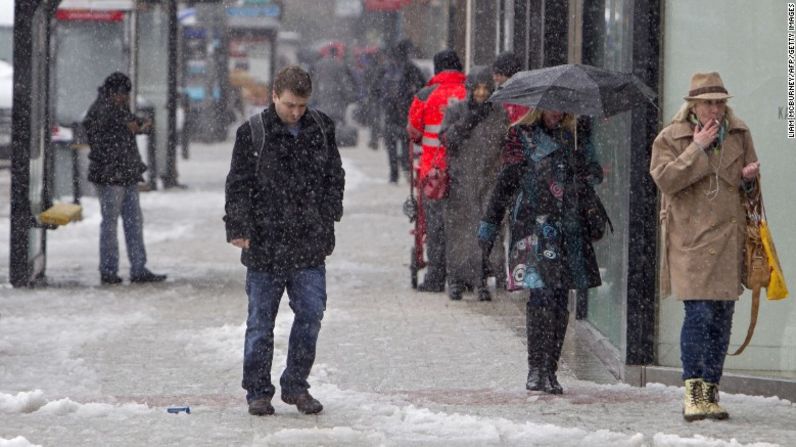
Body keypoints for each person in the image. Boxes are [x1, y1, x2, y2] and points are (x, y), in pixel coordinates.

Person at [224, 65, 345, 416]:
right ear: (274, 95)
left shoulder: (321, 128)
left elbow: (334, 176)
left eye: (301, 105)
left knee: (311, 313)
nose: (295, 112)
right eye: (290, 104)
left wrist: (329, 214)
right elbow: (238, 185)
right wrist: (238, 226)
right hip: (265, 243)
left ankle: (295, 385)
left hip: (309, 241)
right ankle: (258, 391)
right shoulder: (253, 133)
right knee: (260, 323)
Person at [650, 72, 759, 422]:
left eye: (720, 102)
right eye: (708, 102)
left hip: (728, 239)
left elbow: (750, 195)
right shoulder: (672, 137)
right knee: (699, 315)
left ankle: (711, 390)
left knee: (722, 320)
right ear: (693, 105)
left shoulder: (739, 134)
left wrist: (750, 181)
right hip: (690, 242)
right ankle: (693, 392)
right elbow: (665, 180)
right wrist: (696, 148)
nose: (715, 108)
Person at [478, 108, 603, 394]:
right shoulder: (521, 137)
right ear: (538, 108)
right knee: (540, 296)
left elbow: (595, 173)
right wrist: (489, 225)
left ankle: (551, 369)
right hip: (534, 230)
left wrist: (580, 172)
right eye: (550, 106)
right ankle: (536, 368)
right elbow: (504, 183)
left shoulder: (576, 138)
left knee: (560, 299)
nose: (556, 113)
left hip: (569, 229)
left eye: (561, 107)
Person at [83, 72, 167, 285]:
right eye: (123, 94)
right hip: (111, 176)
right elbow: (102, 134)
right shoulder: (101, 109)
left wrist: (137, 124)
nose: (126, 99)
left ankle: (137, 267)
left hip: (124, 174)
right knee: (112, 224)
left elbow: (126, 123)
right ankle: (110, 270)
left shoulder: (114, 107)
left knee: (133, 223)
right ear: (113, 92)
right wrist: (126, 127)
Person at [439, 66, 508, 301]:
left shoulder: (498, 113)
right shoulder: (457, 110)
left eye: (485, 88)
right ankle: (457, 279)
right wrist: (467, 121)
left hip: (489, 180)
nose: (481, 93)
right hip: (461, 181)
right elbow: (447, 138)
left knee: (486, 231)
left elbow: (504, 144)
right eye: (477, 88)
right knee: (460, 232)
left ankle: (482, 279)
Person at [407, 49, 466, 292]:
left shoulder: (425, 95)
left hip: (434, 174)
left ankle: (436, 277)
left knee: (435, 227)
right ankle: (462, 276)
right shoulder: (469, 93)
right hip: (464, 171)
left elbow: (413, 131)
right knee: (462, 224)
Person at [380, 39, 426, 183]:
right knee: (406, 143)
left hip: (390, 113)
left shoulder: (386, 69)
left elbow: (375, 88)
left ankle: (393, 175)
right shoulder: (412, 68)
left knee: (391, 145)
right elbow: (423, 88)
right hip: (406, 112)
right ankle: (407, 170)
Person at [491, 52, 529, 125]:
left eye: (498, 74)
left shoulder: (522, 97)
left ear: (508, 74)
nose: (494, 78)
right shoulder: (501, 94)